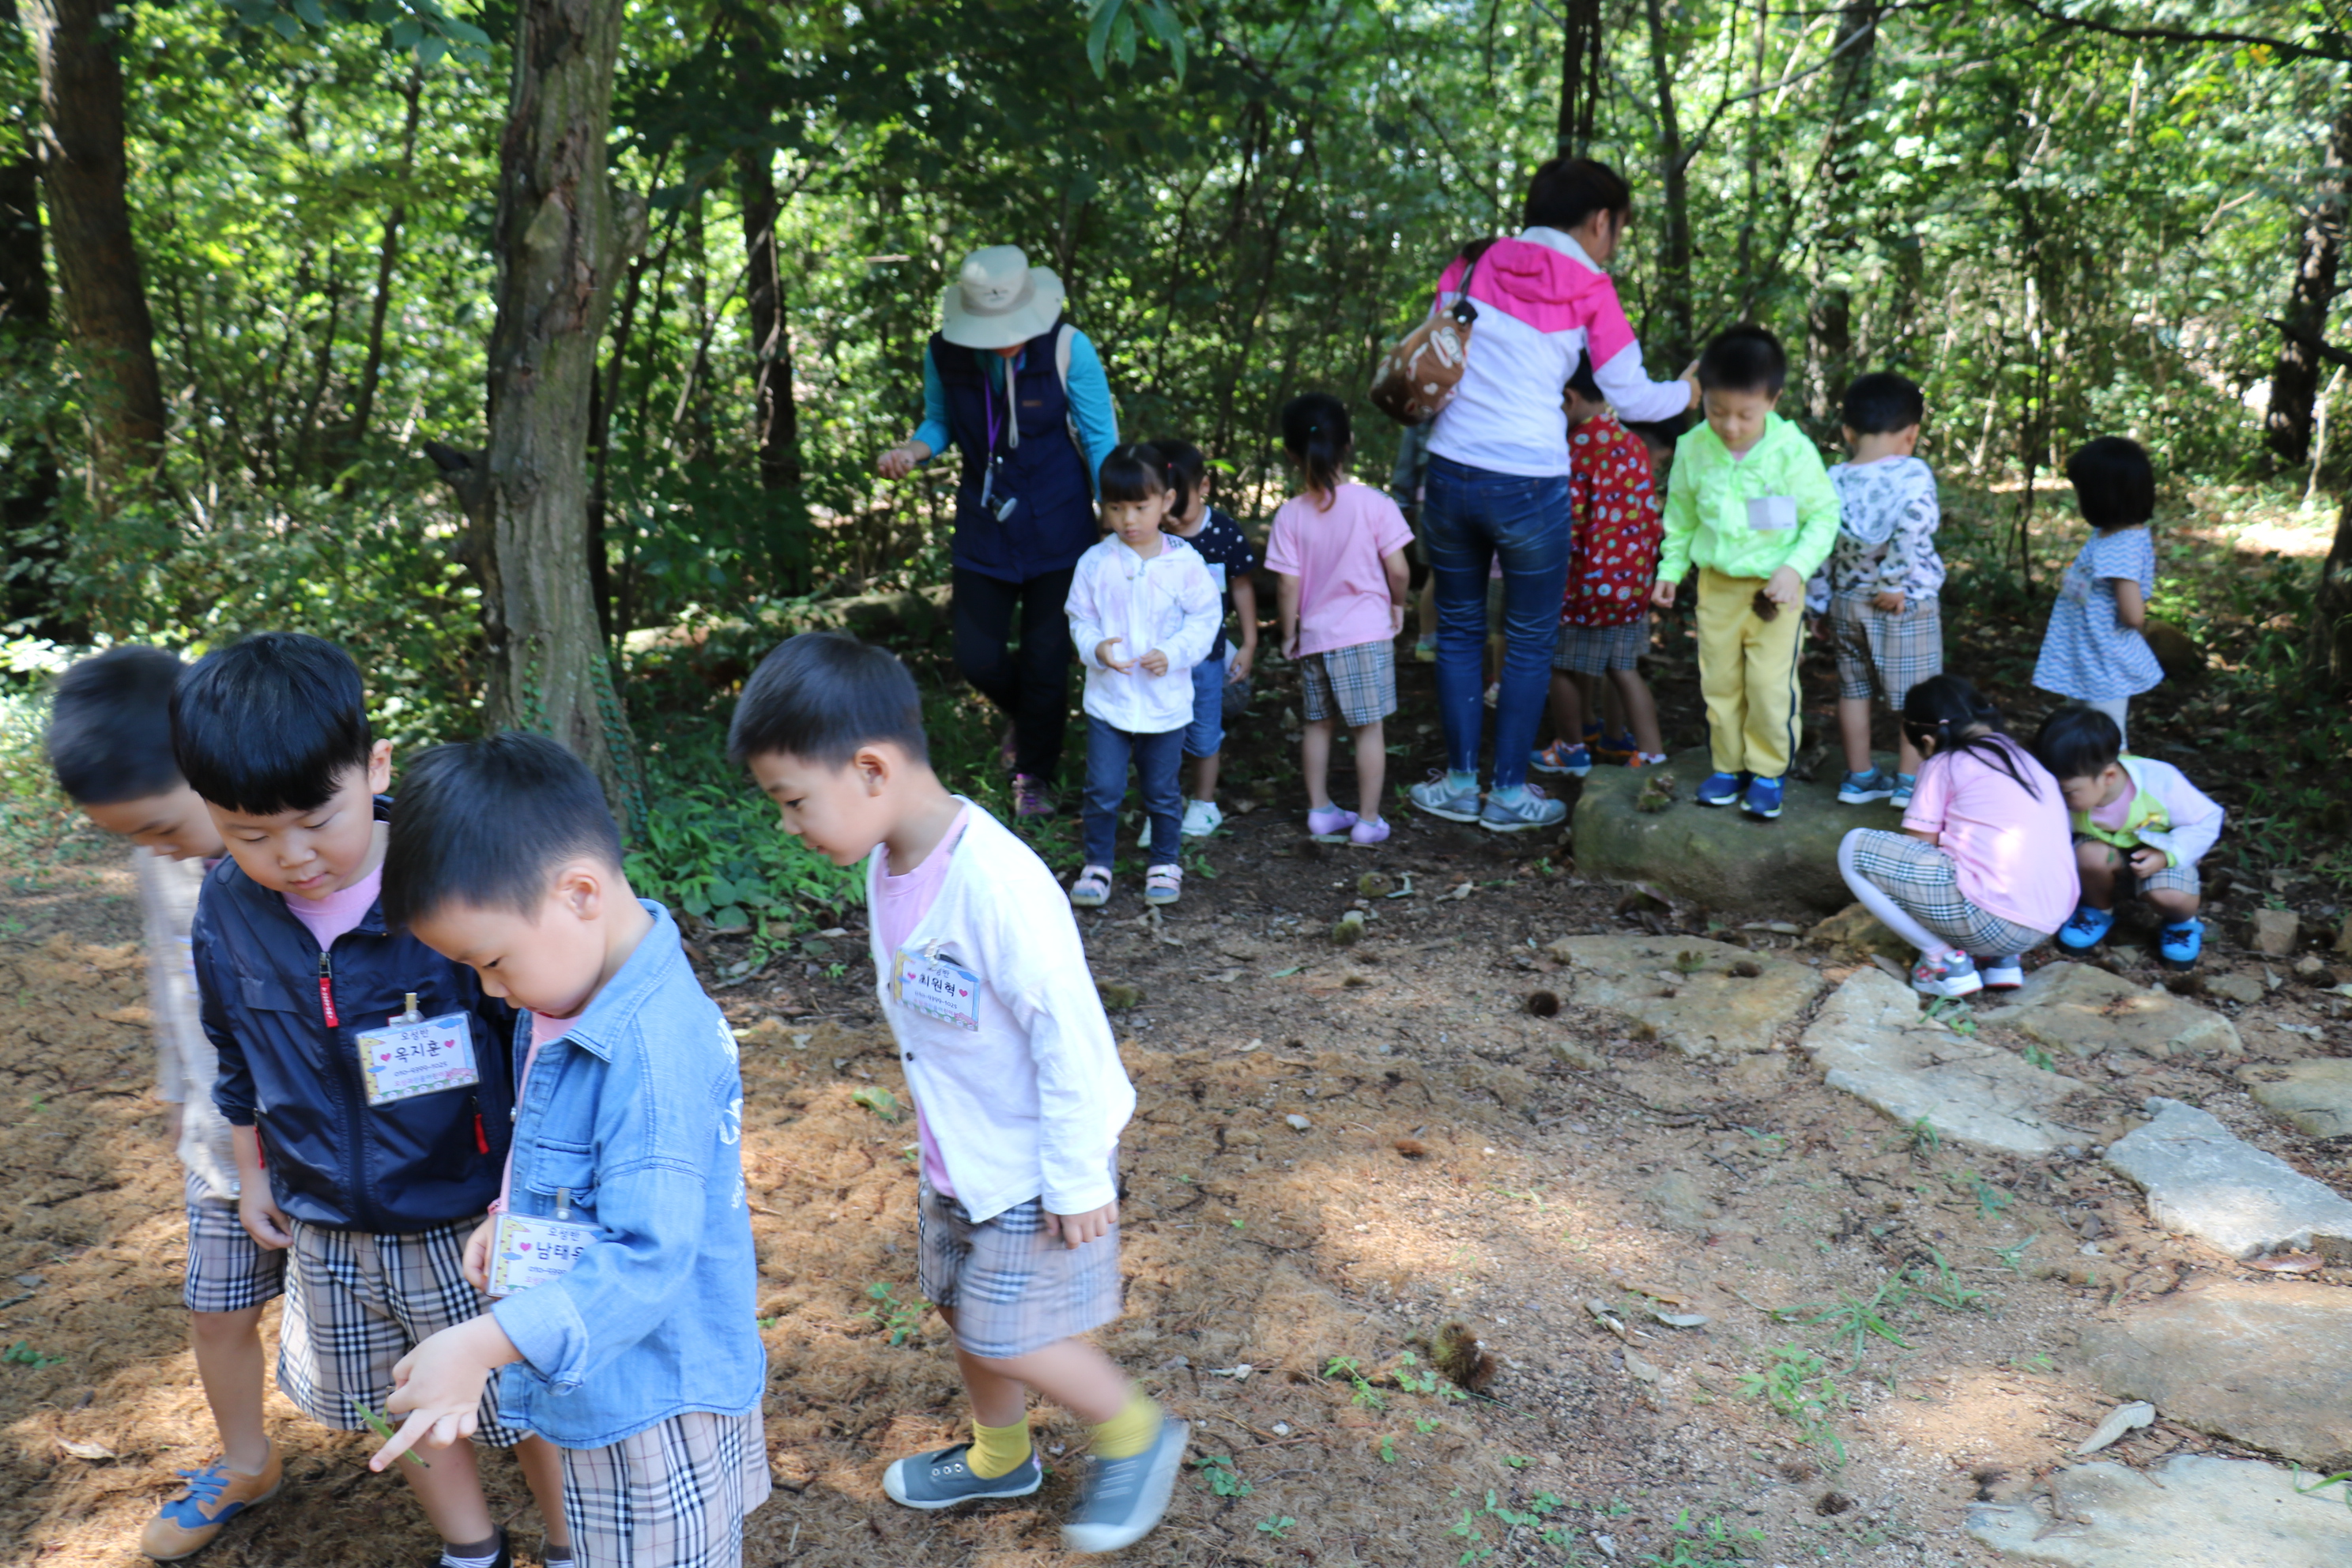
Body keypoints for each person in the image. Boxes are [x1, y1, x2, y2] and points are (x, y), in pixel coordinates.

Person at [728, 632, 1185, 1556]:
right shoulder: (888, 861)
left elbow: (1072, 1035)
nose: (789, 825)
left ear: (869, 769)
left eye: (793, 802)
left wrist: (1076, 1174)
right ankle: (1001, 1453)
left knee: (1004, 1328)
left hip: (1031, 1161)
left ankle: (1137, 1429)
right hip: (959, 1157)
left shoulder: (998, 883)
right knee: (957, 1306)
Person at [174, 633, 567, 1568]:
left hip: (466, 1211)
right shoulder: (227, 905)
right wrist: (252, 1167)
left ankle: (568, 1540)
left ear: (376, 765)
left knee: (522, 1399)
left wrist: (529, 1183)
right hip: (328, 1222)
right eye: (250, 833)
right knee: (400, 1401)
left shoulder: (448, 880)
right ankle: (471, 1548)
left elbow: (534, 1040)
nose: (293, 856)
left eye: (316, 819)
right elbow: (232, 1042)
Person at [371, 734, 769, 1568]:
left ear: (579, 892)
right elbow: (558, 1135)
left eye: (492, 961)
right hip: (608, 1367)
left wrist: (479, 1346)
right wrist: (507, 1212)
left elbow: (647, 1259)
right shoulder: (572, 985)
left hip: (650, 1392)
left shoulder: (649, 1052)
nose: (490, 988)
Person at [46, 647, 283, 1562]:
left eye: (158, 824)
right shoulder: (169, 862)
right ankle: (248, 1459)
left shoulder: (299, 852)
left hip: (330, 1146)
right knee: (218, 1311)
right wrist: (176, 1089)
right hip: (223, 1145)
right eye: (131, 840)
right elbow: (170, 977)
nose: (154, 848)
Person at [1405, 159, 1700, 834]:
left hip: (1450, 470)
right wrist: (1689, 390)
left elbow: (1436, 353)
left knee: (1456, 631)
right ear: (1602, 221)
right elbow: (1630, 396)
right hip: (1532, 482)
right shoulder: (1593, 288)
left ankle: (1457, 783)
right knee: (1531, 641)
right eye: (1618, 229)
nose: (1614, 242)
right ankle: (1508, 795)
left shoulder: (1473, 263)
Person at [873, 246, 1121, 818]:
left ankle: (1036, 775)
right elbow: (940, 421)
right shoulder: (944, 351)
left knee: (1046, 659)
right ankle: (1032, 719)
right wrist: (913, 449)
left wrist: (1115, 511)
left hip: (1060, 524)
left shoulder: (1067, 348)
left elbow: (1100, 435)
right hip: (985, 526)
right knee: (977, 657)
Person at [1649, 325, 1841, 821]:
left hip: (1775, 591)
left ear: (1773, 400)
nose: (1730, 426)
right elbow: (1682, 515)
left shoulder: (1792, 451)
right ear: (1703, 401)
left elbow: (1823, 517)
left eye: (1745, 415)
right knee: (1720, 681)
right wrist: (1672, 567)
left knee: (1769, 686)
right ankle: (1727, 765)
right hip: (1717, 587)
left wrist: (1794, 569)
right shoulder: (1694, 447)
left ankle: (1768, 770)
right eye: (1717, 412)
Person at [1837, 676, 2077, 997]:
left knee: (1853, 848)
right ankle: (2001, 961)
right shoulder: (2026, 759)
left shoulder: (1945, 762)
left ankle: (1943, 960)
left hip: (1989, 918)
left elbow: (1918, 850)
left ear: (1926, 740)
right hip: (2047, 921)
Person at [1063, 444, 1223, 908]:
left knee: (1162, 790)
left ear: (1167, 500)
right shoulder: (1095, 562)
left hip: (1165, 702)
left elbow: (1205, 619)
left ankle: (1165, 862)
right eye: (1115, 507)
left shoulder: (1185, 563)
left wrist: (1173, 653)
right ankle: (1097, 864)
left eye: (1140, 506)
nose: (1128, 519)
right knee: (1104, 788)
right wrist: (1095, 647)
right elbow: (1079, 617)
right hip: (1109, 702)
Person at [1266, 393, 1414, 846]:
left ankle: (1320, 811)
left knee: (1318, 724)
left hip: (1316, 636)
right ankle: (1368, 821)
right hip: (1365, 632)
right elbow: (1400, 569)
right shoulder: (1375, 503)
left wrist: (1289, 633)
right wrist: (1397, 604)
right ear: (1348, 442)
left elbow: (1288, 586)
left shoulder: (1289, 515)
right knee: (1368, 728)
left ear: (1290, 453)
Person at [1811, 371, 1947, 809]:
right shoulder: (1912, 474)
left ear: (1848, 432)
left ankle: (1860, 777)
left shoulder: (1833, 479)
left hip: (1847, 601)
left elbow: (1818, 543)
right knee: (1918, 698)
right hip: (1904, 603)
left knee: (1853, 691)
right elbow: (1913, 525)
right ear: (1911, 434)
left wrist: (1817, 605)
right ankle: (1909, 784)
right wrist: (1892, 582)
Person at [1532, 354, 1668, 778]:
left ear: (1568, 398)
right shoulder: (1629, 443)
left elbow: (1568, 522)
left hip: (1582, 585)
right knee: (1623, 668)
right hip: (1628, 584)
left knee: (1558, 664)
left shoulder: (1575, 447)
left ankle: (1572, 749)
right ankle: (1650, 752)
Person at [2032, 703, 2222, 971]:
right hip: (2103, 854)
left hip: (2157, 854)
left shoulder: (2159, 782)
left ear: (2108, 776)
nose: (2058, 799)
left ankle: (2182, 922)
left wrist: (2169, 854)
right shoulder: (2067, 796)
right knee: (2089, 856)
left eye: (2067, 792)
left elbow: (2207, 819)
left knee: (2170, 896)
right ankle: (2098, 909)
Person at [1144, 438, 1257, 842]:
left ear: (1203, 487)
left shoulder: (1222, 532)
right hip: (1157, 659)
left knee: (1205, 732)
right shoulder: (1148, 537)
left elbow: (1242, 587)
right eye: (1163, 509)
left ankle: (1204, 803)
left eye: (1180, 510)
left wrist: (1248, 642)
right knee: (1161, 732)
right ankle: (1163, 805)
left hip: (1208, 656)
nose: (1171, 520)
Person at [2032, 437, 2163, 748]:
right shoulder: (2110, 535)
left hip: (2102, 657)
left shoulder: (2121, 546)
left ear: (2101, 495)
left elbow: (2133, 615)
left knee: (2106, 736)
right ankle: (2082, 785)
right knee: (2078, 728)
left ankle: (2114, 789)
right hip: (2087, 653)